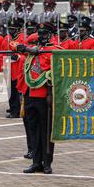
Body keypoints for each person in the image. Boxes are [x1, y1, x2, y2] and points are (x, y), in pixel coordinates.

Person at [18, 23, 58, 174]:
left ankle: (47, 163)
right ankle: (36, 162)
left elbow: (56, 72)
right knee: (33, 131)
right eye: (39, 34)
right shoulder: (33, 51)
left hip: (44, 96)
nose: (41, 37)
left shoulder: (54, 51)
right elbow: (14, 44)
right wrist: (26, 48)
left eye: (43, 34)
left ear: (50, 35)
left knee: (46, 131)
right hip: (30, 94)